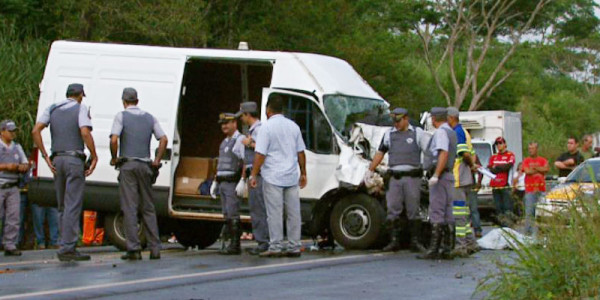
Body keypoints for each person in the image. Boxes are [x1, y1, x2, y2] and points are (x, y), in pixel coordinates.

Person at [32, 83, 98, 262]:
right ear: (80, 95)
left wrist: (45, 156)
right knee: (73, 203)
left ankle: (63, 242)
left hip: (57, 159)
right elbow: (84, 131)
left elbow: (35, 130)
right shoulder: (80, 108)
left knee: (61, 205)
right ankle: (69, 247)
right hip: (74, 159)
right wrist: (94, 154)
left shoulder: (52, 108)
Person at [110, 87, 167, 260]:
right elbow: (163, 139)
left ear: (123, 101)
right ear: (137, 101)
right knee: (148, 207)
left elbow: (114, 139)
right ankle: (155, 248)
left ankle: (134, 248)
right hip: (145, 165)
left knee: (130, 207)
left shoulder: (121, 116)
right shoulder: (150, 117)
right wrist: (157, 159)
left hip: (128, 165)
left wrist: (115, 157)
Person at [249, 94, 307, 258]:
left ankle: (275, 246)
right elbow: (300, 152)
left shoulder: (266, 128)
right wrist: (303, 173)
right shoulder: (293, 126)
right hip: (291, 175)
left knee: (274, 212)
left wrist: (253, 174)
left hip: (273, 176)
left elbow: (260, 153)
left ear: (268, 110)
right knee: (294, 213)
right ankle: (294, 245)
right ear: (283, 109)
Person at [366, 108, 428, 252]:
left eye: (399, 121)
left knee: (413, 209)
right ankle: (394, 241)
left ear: (406, 118)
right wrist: (370, 169)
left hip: (412, 177)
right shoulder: (389, 134)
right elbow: (380, 152)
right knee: (393, 209)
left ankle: (415, 241)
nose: (396, 124)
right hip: (395, 177)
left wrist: (429, 169)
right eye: (394, 121)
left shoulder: (417, 133)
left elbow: (428, 152)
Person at [417, 107, 457, 260]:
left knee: (436, 210)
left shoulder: (441, 132)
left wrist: (436, 174)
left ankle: (434, 249)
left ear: (434, 118)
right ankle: (448, 248)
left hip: (441, 176)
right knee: (448, 212)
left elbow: (443, 153)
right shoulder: (451, 132)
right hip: (449, 175)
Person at [236, 102, 269, 255]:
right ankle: (263, 241)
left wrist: (250, 143)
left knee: (258, 209)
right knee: (257, 208)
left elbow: (263, 149)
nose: (241, 119)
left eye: (242, 115)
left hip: (258, 174)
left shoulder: (259, 130)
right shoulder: (256, 129)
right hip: (255, 173)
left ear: (248, 115)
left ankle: (263, 243)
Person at [446, 107, 479, 257]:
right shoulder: (465, 132)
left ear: (451, 118)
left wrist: (471, 164)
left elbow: (464, 153)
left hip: (458, 177)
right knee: (464, 213)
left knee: (459, 213)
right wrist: (473, 166)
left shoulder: (457, 132)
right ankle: (471, 242)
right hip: (466, 178)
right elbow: (471, 154)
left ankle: (461, 246)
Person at [214, 112, 245, 255]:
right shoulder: (224, 142)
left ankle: (235, 245)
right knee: (226, 214)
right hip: (222, 182)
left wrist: (243, 180)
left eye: (227, 123)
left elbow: (244, 162)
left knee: (233, 213)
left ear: (235, 123)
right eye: (222, 124)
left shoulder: (240, 140)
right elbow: (220, 163)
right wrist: (215, 181)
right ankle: (228, 244)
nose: (224, 126)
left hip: (232, 182)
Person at [0, 120, 29, 256]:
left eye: (13, 131)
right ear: (2, 131)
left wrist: (23, 167)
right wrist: (6, 166)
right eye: (9, 131)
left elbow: (25, 162)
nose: (12, 134)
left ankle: (10, 244)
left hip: (13, 185)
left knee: (13, 217)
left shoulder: (17, 147)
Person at [522, 142, 549, 235]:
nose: (530, 150)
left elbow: (546, 169)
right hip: (530, 190)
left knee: (542, 212)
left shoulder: (543, 160)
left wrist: (535, 168)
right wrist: (539, 169)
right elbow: (527, 171)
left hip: (541, 190)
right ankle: (528, 233)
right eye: (529, 148)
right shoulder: (526, 160)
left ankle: (541, 232)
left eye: (532, 148)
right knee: (529, 212)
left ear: (536, 149)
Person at [488, 137, 516, 224]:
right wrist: (500, 168)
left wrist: (497, 167)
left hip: (505, 184)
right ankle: (501, 224)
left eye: (500, 143)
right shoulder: (494, 156)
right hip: (495, 185)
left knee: (507, 206)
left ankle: (508, 224)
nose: (498, 145)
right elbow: (491, 169)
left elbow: (508, 166)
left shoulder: (510, 155)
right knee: (498, 207)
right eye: (497, 144)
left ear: (505, 144)